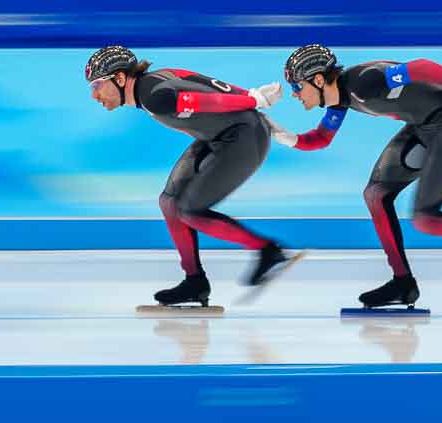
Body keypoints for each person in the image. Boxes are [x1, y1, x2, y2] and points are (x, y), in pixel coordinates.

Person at [260, 43, 442, 310]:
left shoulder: (364, 81)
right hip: (425, 125)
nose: (296, 94)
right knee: (375, 194)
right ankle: (402, 283)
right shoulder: (341, 100)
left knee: (427, 219)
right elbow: (321, 138)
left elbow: (422, 66)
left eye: (297, 86)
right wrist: (285, 137)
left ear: (318, 80)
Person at [84, 44, 301, 308]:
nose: (94, 95)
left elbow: (209, 100)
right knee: (170, 202)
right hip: (222, 135)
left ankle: (268, 250)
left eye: (96, 85)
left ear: (119, 78)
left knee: (190, 211)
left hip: (242, 138)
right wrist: (252, 101)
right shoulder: (160, 78)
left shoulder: (154, 95)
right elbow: (213, 85)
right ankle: (194, 281)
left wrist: (253, 102)